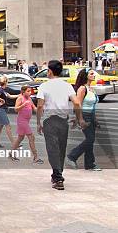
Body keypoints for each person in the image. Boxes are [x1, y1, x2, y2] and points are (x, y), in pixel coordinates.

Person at [37, 60, 87, 190]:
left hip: (49, 120)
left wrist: (38, 122)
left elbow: (40, 105)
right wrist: (79, 118)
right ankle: (57, 174)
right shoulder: (67, 86)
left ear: (50, 71)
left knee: (52, 149)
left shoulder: (44, 86)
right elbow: (76, 103)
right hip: (63, 121)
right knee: (61, 148)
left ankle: (58, 178)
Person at [67, 69, 101, 171]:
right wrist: (80, 119)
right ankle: (72, 156)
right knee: (90, 139)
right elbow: (78, 104)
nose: (93, 75)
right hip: (84, 115)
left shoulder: (91, 89)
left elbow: (93, 106)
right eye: (91, 73)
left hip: (91, 115)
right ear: (86, 75)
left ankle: (90, 164)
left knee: (90, 140)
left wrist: (95, 119)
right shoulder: (82, 89)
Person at [11, 85, 43, 164]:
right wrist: (23, 105)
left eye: (30, 91)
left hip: (26, 121)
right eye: (28, 91)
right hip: (22, 121)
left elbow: (34, 108)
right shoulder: (20, 98)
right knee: (31, 137)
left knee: (20, 138)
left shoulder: (29, 98)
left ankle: (11, 153)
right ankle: (35, 157)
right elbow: (15, 109)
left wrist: (40, 109)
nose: (30, 93)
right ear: (23, 92)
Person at [0, 76, 16, 148]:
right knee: (8, 126)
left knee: (0, 126)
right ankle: (14, 144)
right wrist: (1, 100)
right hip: (1, 110)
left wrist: (20, 95)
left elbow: (10, 96)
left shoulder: (3, 90)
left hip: (3, 110)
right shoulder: (0, 90)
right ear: (6, 82)